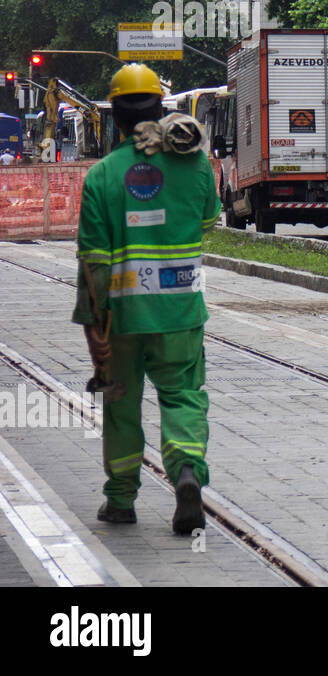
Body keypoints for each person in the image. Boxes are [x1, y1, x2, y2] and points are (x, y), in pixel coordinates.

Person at [72, 63, 220, 534]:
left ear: (113, 115)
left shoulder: (100, 177)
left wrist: (94, 329)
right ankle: (187, 471)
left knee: (120, 403)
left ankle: (120, 500)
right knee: (182, 397)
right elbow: (208, 220)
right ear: (160, 108)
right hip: (179, 311)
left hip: (123, 318)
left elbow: (93, 263)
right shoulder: (193, 162)